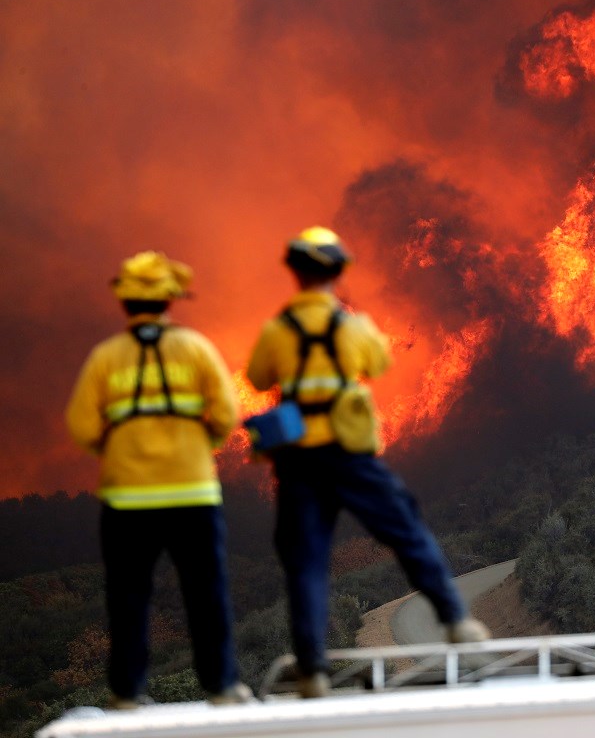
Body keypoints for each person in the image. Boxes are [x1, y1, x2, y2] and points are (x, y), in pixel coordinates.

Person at [246, 227, 490, 698]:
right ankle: (456, 623)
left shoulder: (277, 331)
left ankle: (312, 666)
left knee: (307, 563)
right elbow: (378, 364)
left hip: (300, 464)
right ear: (337, 272)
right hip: (350, 456)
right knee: (406, 531)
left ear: (295, 274)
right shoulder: (353, 327)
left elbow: (258, 377)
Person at [65, 251, 252, 708]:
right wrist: (197, 444)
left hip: (128, 502)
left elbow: (81, 427)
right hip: (192, 495)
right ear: (170, 299)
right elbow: (227, 415)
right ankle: (223, 688)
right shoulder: (196, 349)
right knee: (206, 593)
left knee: (129, 598)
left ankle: (127, 694)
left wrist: (116, 451)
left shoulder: (106, 358)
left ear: (124, 303)